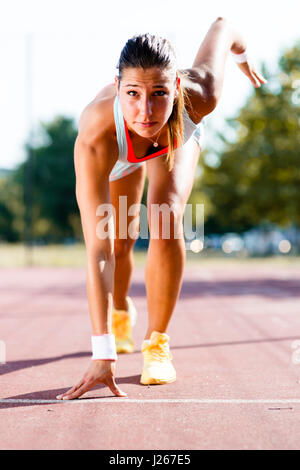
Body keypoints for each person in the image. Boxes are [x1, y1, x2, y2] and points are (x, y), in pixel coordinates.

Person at [56, 17, 267, 400]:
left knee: (166, 216)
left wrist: (245, 57)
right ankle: (121, 313)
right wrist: (101, 352)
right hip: (120, 152)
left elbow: (224, 27)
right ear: (118, 87)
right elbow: (98, 251)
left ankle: (157, 342)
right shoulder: (96, 134)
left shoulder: (201, 94)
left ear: (177, 88)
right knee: (119, 238)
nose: (146, 110)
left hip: (176, 137)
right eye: (133, 92)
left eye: (159, 93)